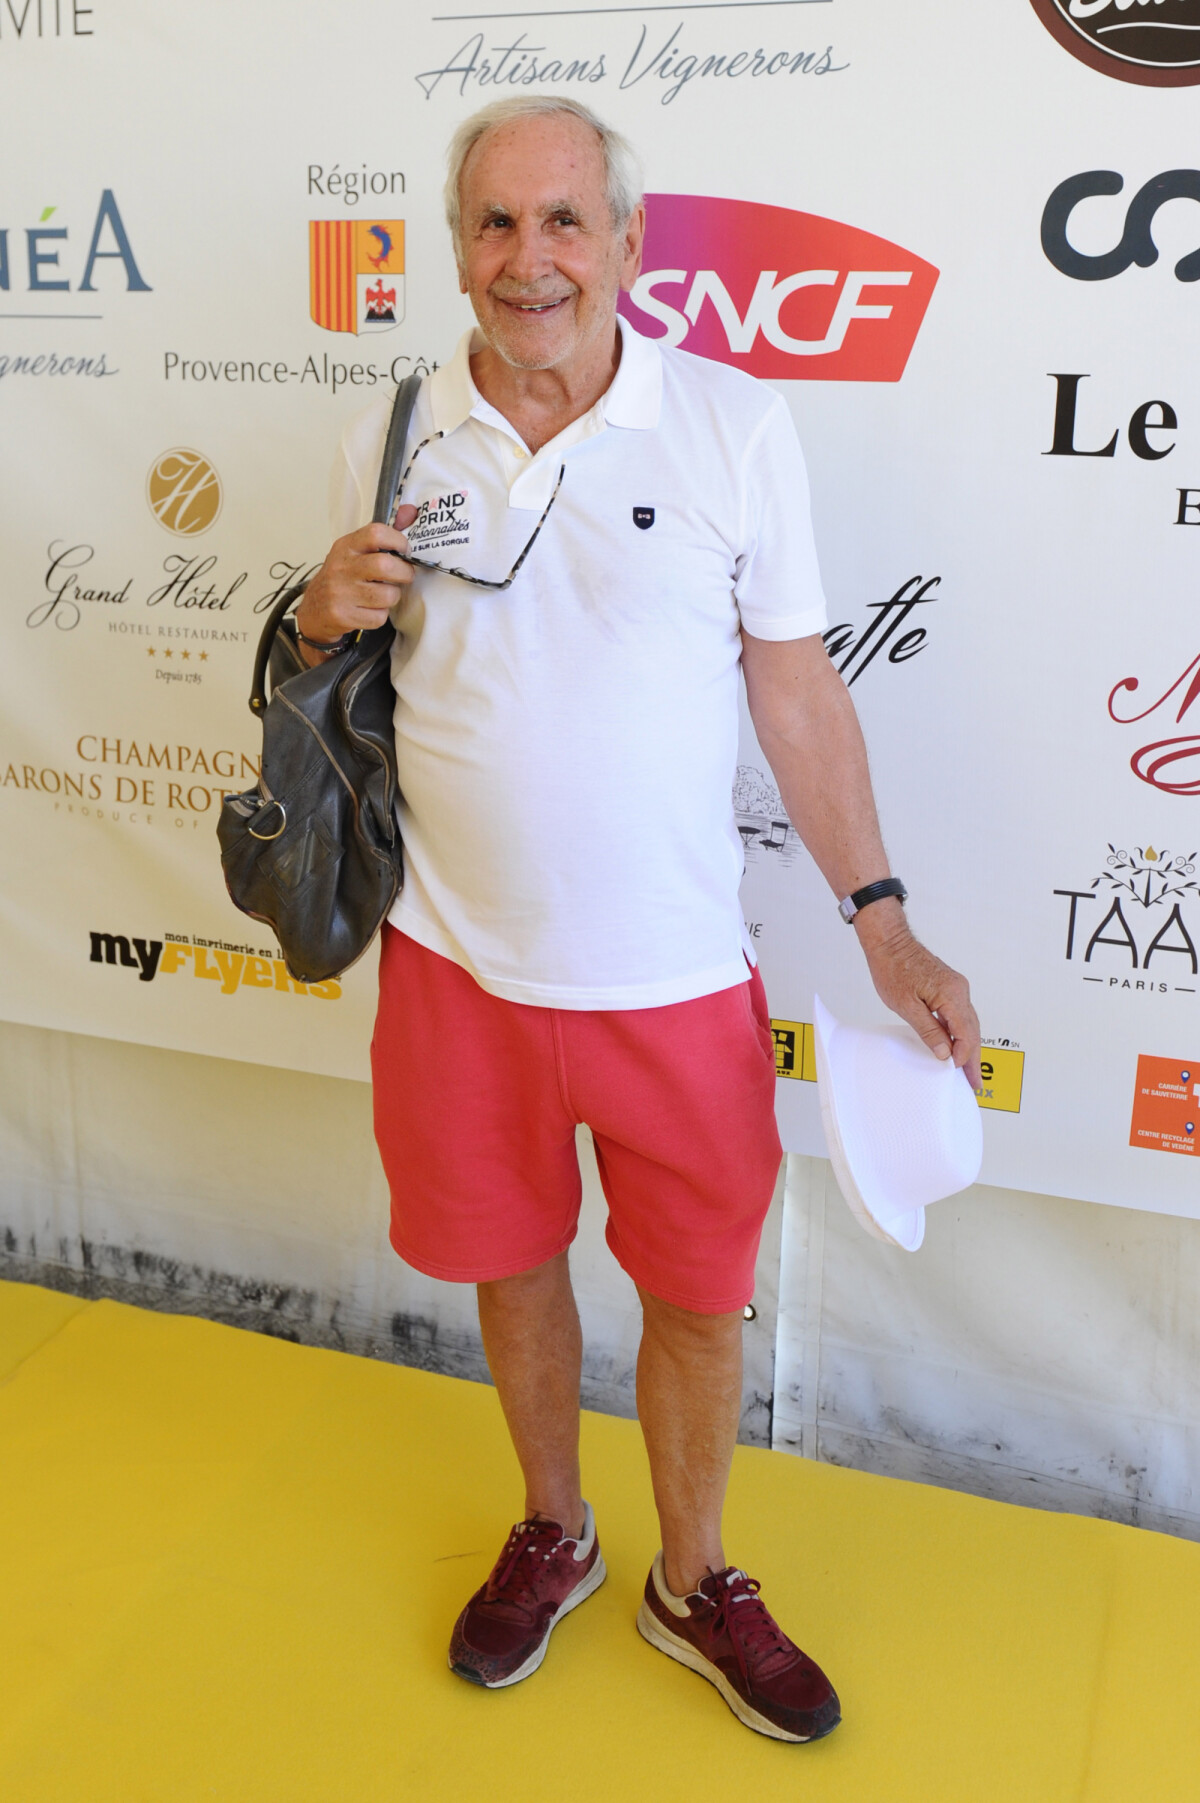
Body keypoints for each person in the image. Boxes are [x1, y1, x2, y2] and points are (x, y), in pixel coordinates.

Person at [293, 95, 981, 1744]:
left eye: (564, 222)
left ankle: (694, 1578)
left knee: (694, 1296)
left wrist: (882, 923)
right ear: (459, 246)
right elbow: (333, 668)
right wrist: (317, 606)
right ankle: (556, 1525)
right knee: (516, 1272)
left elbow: (800, 696)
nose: (530, 262)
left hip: (673, 983)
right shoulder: (393, 430)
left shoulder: (733, 426)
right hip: (457, 966)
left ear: (627, 242)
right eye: (495, 225)